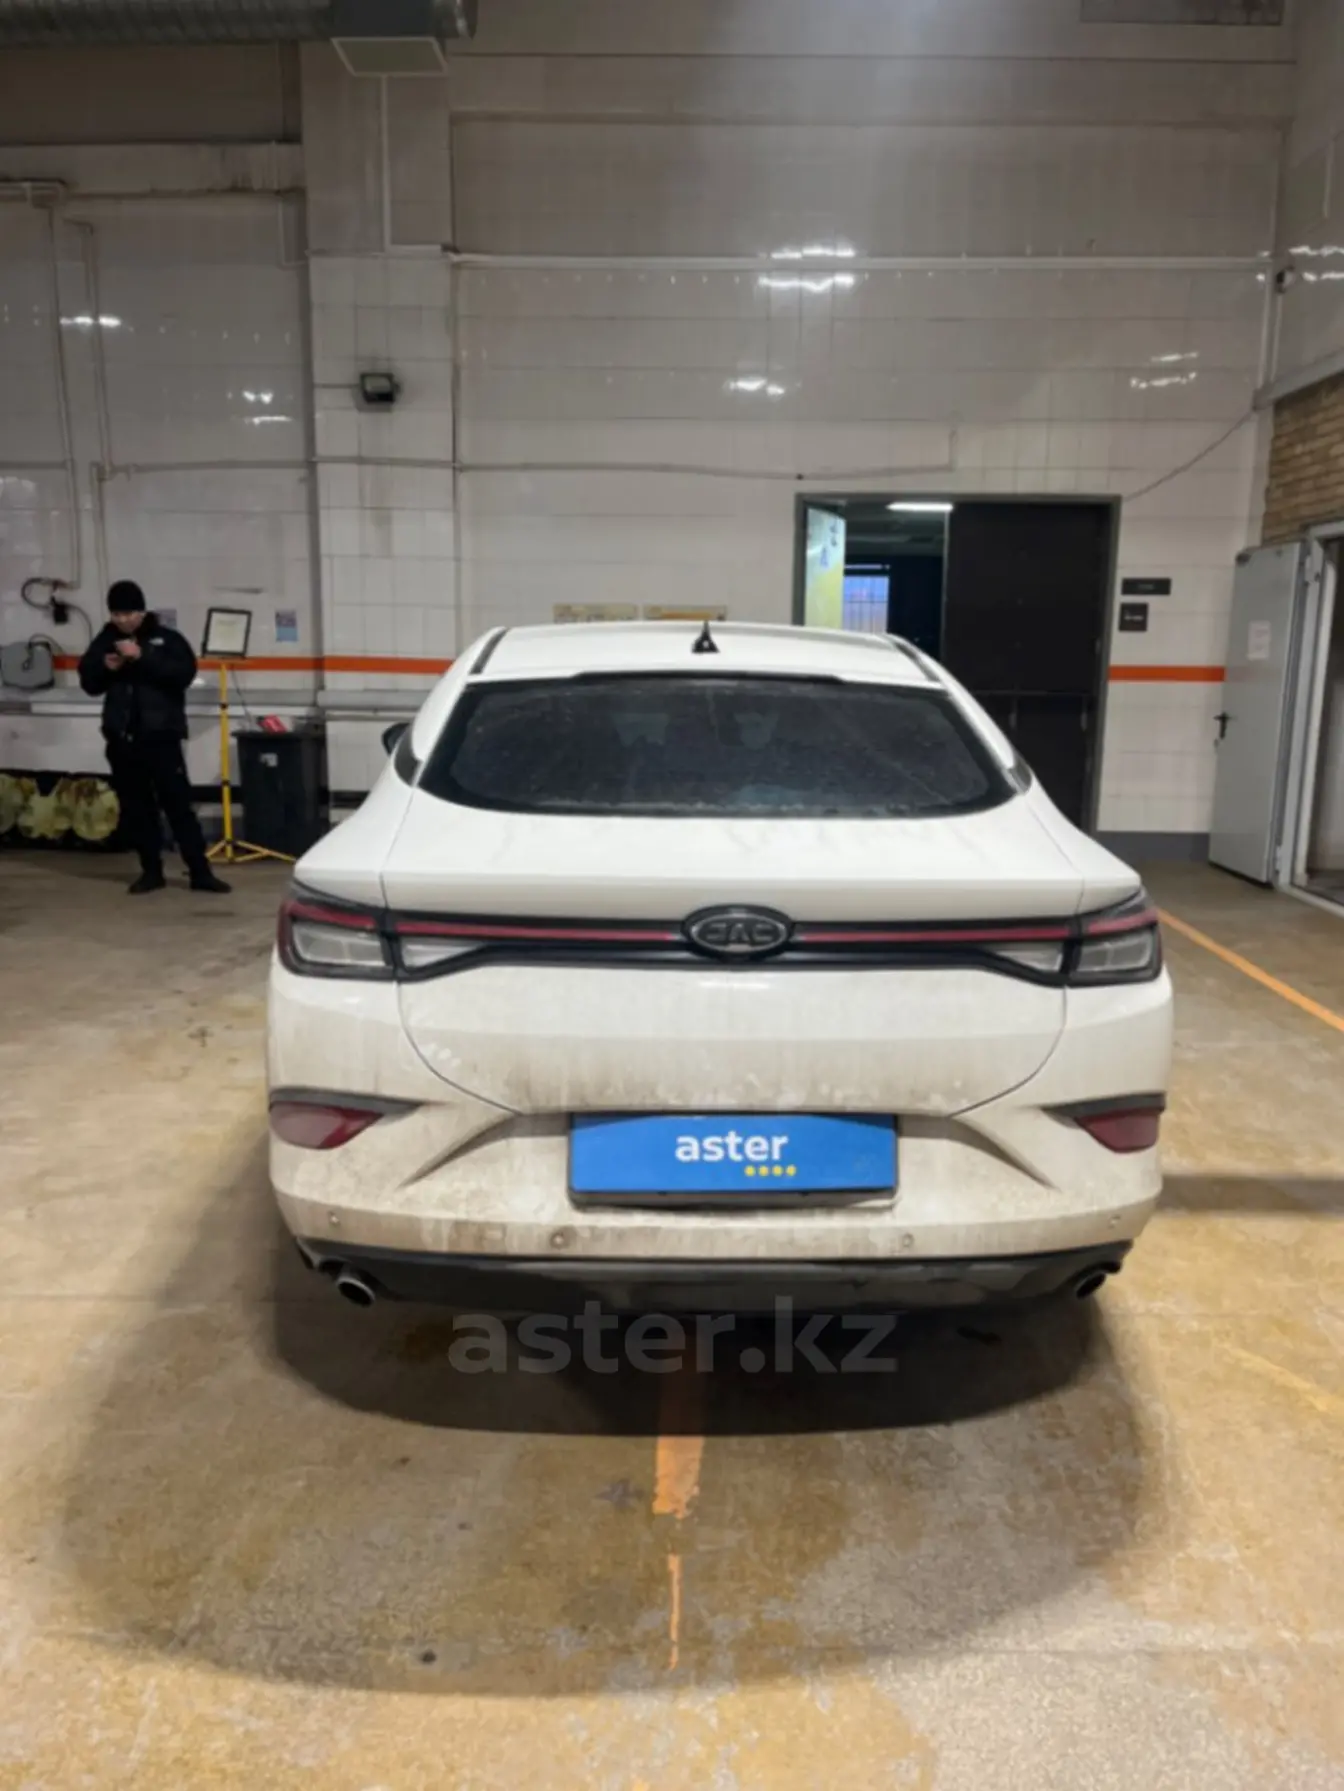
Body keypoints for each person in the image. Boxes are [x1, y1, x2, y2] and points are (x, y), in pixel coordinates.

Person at [79, 581, 230, 895]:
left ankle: (200, 872)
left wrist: (141, 656)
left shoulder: (167, 639)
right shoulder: (105, 641)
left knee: (178, 806)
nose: (122, 620)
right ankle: (151, 871)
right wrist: (106, 668)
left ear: (142, 611)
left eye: (128, 613)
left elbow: (182, 674)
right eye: (116, 614)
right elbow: (90, 683)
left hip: (161, 738)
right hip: (123, 740)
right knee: (137, 809)